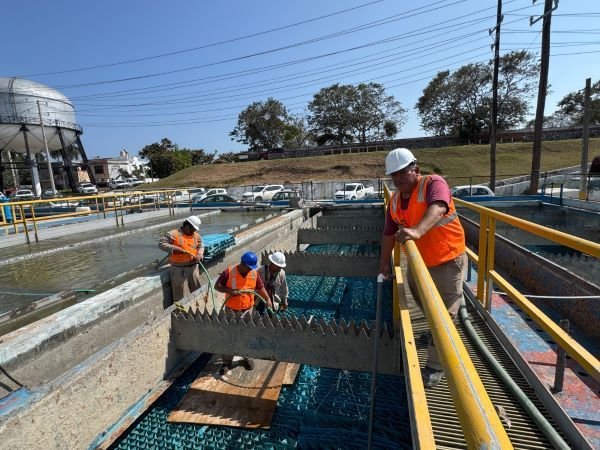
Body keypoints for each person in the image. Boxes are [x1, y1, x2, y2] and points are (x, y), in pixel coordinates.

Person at [378, 148, 467, 388]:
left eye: (402, 173)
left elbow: (438, 207)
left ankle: (436, 366)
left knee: (444, 315)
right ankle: (435, 333)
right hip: (420, 263)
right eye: (394, 175)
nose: (398, 179)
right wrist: (384, 263)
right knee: (423, 301)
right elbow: (388, 233)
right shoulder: (395, 201)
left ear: (415, 169)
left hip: (448, 260)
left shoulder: (433, 184)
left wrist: (417, 231)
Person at [214, 251, 273, 376]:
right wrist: (230, 291)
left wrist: (267, 299)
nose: (250, 270)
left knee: (247, 334)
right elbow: (217, 286)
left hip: (247, 310)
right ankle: (227, 362)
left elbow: (260, 287)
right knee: (230, 335)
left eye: (251, 268)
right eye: (249, 267)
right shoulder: (228, 272)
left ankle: (246, 357)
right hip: (231, 310)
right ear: (243, 264)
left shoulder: (254, 274)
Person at [158, 216, 204, 302]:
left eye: (195, 229)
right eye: (193, 229)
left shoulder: (196, 236)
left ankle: (198, 304)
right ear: (187, 225)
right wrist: (174, 249)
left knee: (196, 289)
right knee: (179, 293)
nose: (194, 231)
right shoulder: (173, 234)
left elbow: (201, 246)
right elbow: (161, 244)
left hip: (193, 267)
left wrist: (200, 254)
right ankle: (180, 309)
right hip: (178, 269)